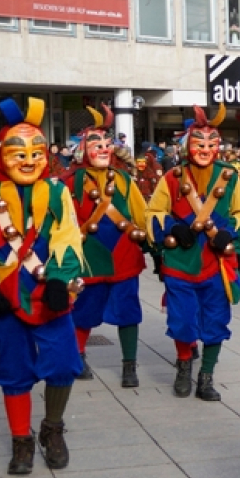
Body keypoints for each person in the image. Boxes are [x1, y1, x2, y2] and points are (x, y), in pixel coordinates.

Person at [0, 98, 84, 475]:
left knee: (63, 362)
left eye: (36, 152)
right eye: (18, 152)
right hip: (2, 294)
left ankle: (51, 429)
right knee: (14, 368)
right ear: (0, 155)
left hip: (49, 289)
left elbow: (67, 236)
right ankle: (21, 440)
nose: (28, 159)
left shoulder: (58, 191)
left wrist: (61, 279)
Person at [147, 105, 240, 402]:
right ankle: (184, 366)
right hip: (181, 262)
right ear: (187, 145)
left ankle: (206, 376)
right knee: (182, 320)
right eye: (199, 143)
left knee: (216, 321)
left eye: (211, 144)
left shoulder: (229, 176)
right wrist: (170, 227)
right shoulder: (172, 177)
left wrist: (228, 232)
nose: (205, 149)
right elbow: (153, 210)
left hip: (216, 264)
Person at [63, 105, 150, 387]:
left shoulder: (124, 180)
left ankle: (129, 365)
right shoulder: (70, 183)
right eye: (95, 144)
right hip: (88, 258)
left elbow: (140, 214)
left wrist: (152, 241)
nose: (102, 149)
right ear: (81, 150)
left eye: (106, 144)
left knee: (128, 311)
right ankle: (77, 356)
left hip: (124, 254)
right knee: (83, 311)